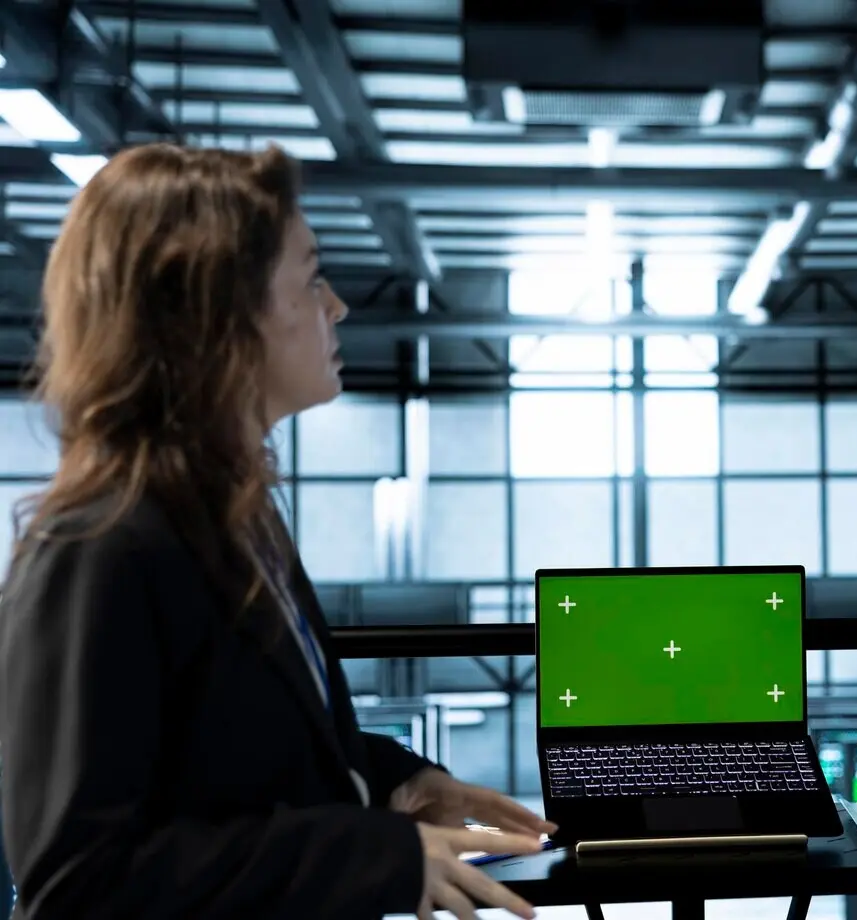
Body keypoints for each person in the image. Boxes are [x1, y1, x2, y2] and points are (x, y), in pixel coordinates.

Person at [0, 144, 554, 920]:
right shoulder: (98, 547)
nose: (338, 306)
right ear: (218, 313)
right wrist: (374, 854)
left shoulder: (237, 519)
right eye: (311, 278)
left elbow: (236, 756)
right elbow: (80, 881)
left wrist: (394, 781)